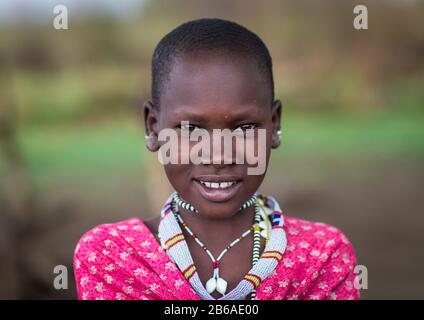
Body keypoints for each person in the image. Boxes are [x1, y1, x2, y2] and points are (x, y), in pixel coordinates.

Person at [73, 18, 359, 300]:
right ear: (153, 127)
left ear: (274, 124)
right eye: (190, 129)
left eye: (244, 128)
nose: (220, 156)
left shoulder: (321, 257)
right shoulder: (113, 257)